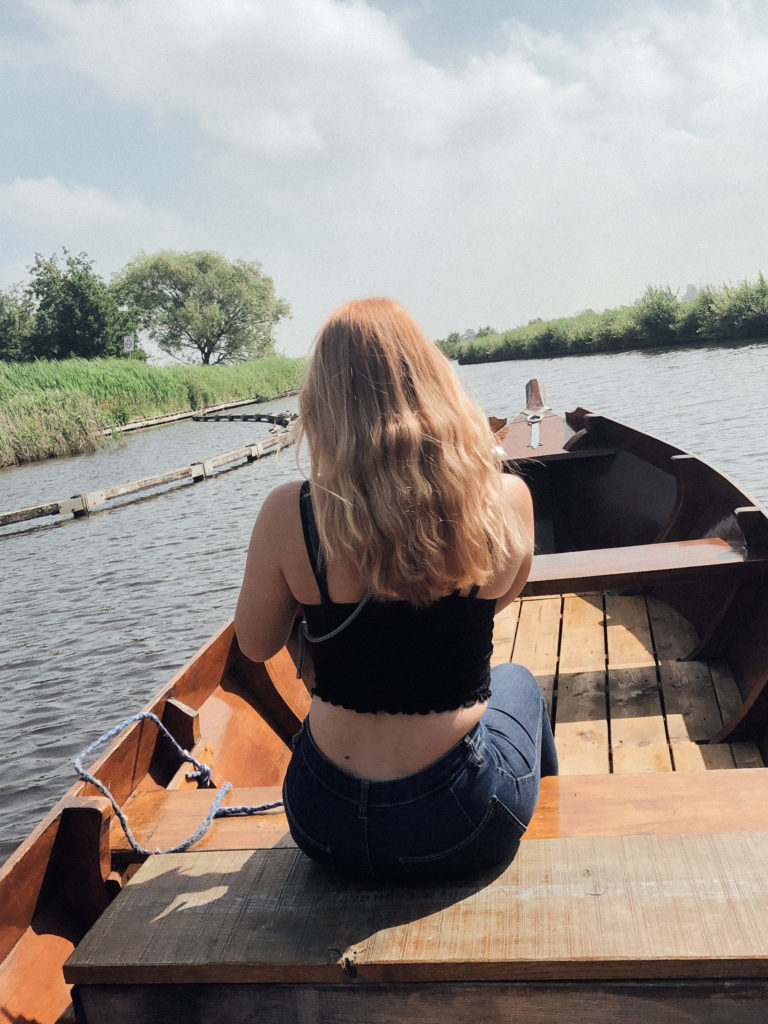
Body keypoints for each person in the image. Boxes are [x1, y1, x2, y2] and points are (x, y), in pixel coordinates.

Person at [235, 297, 557, 883]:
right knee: (519, 684)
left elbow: (255, 644)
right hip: (459, 824)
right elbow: (501, 596)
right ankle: (561, 833)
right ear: (436, 385)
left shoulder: (290, 512)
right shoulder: (504, 499)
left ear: (322, 404)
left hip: (321, 822)